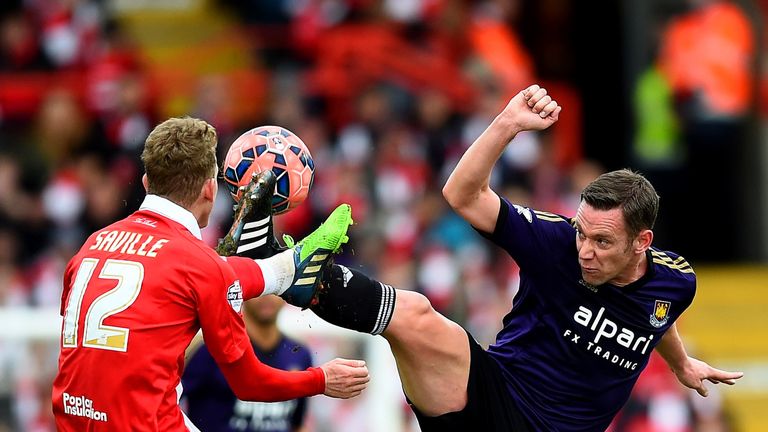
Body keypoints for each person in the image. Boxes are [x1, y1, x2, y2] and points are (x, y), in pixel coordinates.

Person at [230, 85, 744, 431]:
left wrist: (679, 365)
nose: (584, 250)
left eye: (602, 242)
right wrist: (506, 124)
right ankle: (284, 267)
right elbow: (462, 195)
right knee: (414, 314)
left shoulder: (678, 281)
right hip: (494, 395)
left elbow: (658, 312)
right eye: (583, 232)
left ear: (643, 242)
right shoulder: (555, 242)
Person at [51, 117, 369, 431]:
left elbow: (184, 277)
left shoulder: (92, 244)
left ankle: (286, 269)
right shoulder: (201, 265)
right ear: (210, 188)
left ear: (147, 182)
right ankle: (287, 269)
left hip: (74, 421)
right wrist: (323, 379)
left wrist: (275, 272)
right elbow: (249, 384)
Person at [183, 295, 313, 432]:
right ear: (242, 293)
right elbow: (168, 403)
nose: (267, 297)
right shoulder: (209, 349)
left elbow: (297, 424)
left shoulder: (300, 355)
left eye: (276, 291)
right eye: (261, 291)